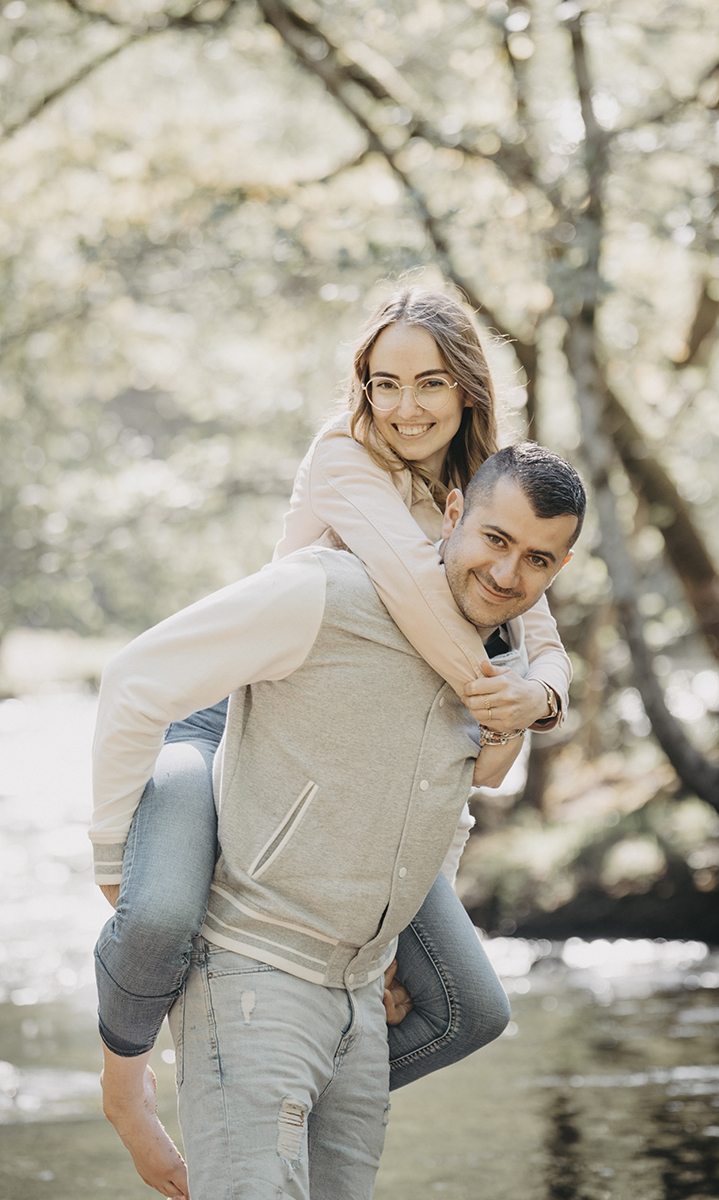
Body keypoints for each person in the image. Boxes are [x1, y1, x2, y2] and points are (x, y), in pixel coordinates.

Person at [90, 289, 574, 1198]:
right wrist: (494, 705)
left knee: (470, 1007)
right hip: (232, 724)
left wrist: (536, 702)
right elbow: (425, 603)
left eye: (430, 383)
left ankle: (267, 1096)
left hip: (364, 785)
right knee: (152, 913)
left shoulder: (483, 505)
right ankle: (133, 1079)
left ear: (468, 391)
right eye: (383, 382)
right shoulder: (345, 460)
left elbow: (542, 642)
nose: (405, 407)